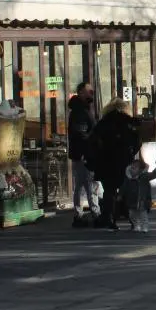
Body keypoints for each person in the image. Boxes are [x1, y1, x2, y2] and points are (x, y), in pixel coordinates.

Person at [90, 98, 140, 231]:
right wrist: (131, 153)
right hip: (124, 161)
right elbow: (137, 141)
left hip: (107, 161)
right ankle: (132, 219)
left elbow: (94, 141)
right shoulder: (129, 122)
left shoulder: (103, 123)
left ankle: (109, 218)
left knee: (109, 191)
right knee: (127, 190)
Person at [67, 82, 98, 227]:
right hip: (83, 155)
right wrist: (86, 152)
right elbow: (81, 134)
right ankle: (93, 212)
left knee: (84, 184)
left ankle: (81, 213)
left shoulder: (84, 109)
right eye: (88, 91)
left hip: (81, 154)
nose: (91, 93)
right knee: (88, 184)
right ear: (80, 93)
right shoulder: (80, 111)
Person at [124, 158, 156, 233]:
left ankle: (144, 227)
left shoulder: (144, 176)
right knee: (132, 214)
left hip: (142, 199)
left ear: (140, 169)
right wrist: (120, 194)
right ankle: (136, 225)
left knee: (143, 214)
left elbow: (153, 175)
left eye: (136, 167)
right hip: (131, 199)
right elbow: (123, 187)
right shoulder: (128, 178)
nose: (134, 169)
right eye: (132, 167)